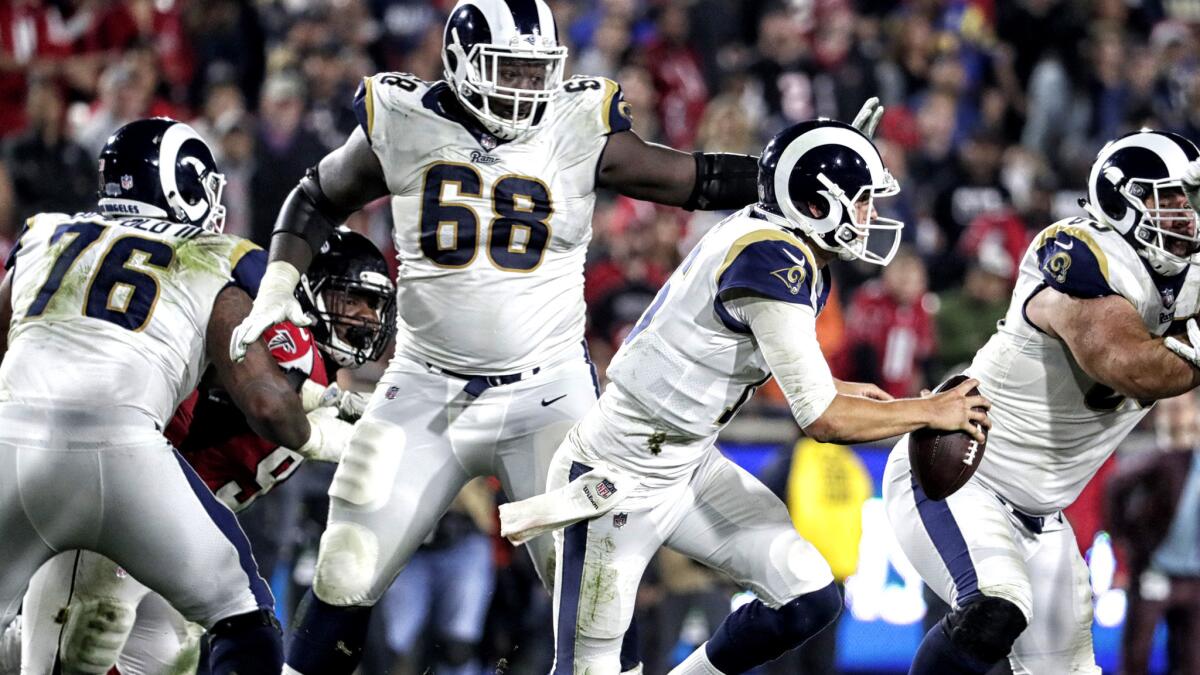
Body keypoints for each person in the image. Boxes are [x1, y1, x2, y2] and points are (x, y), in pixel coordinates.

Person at [226, 0, 780, 672]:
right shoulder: (404, 119)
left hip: (548, 395)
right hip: (424, 390)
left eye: (533, 70)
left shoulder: (576, 124)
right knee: (346, 568)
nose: (522, 88)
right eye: (507, 69)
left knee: (598, 594)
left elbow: (689, 178)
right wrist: (280, 285)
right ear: (460, 62)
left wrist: (782, 174)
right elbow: (315, 196)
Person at [498, 118, 991, 674]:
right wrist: (929, 410)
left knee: (809, 596)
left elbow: (759, 358)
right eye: (858, 201)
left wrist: (838, 387)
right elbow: (823, 420)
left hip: (687, 463)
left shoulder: (777, 236)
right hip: (617, 477)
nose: (869, 217)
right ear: (813, 204)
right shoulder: (771, 260)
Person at [0, 117, 348, 674]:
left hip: (9, 444)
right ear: (189, 191)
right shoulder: (215, 254)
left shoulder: (46, 232)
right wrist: (325, 436)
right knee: (244, 616)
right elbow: (265, 401)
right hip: (122, 451)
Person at [882, 129, 1200, 675]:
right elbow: (1125, 364)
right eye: (1165, 195)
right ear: (1121, 199)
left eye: (1186, 197)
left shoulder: (1186, 275)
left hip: (1043, 517)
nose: (1183, 211)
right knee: (993, 608)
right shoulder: (1079, 255)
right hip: (962, 479)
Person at [13, 228, 393, 674]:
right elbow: (256, 391)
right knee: (83, 644)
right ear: (307, 287)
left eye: (373, 304)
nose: (364, 317)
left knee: (168, 660)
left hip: (176, 544)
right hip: (118, 519)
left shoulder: (322, 376)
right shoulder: (272, 331)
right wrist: (315, 419)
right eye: (351, 300)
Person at [1105, 392, 1200, 675]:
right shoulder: (1159, 460)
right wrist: (1130, 542)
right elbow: (1115, 487)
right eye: (1171, 410)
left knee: (1191, 657)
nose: (1177, 417)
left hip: (1194, 577)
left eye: (1182, 410)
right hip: (1155, 571)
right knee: (1137, 652)